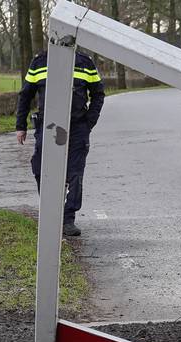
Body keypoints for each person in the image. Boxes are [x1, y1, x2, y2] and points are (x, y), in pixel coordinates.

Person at [15, 49, 105, 237]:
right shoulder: (40, 61)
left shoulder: (84, 62)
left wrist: (89, 122)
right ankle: (52, 211)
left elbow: (98, 94)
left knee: (74, 173)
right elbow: (26, 95)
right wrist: (20, 126)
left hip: (77, 126)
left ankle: (67, 218)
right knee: (41, 169)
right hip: (48, 126)